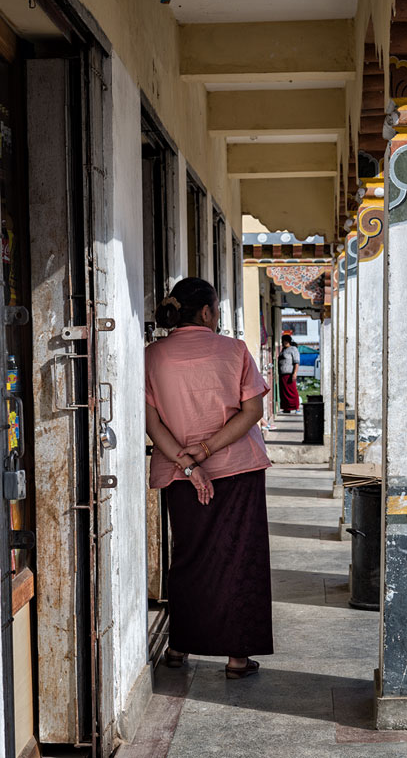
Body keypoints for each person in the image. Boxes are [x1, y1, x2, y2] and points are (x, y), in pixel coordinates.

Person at [145, 277, 273, 680]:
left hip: (179, 475)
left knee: (189, 556)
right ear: (206, 312)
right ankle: (237, 657)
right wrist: (206, 452)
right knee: (240, 558)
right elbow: (252, 411)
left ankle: (179, 645)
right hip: (239, 469)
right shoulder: (234, 351)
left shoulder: (153, 356)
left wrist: (189, 464)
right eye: (216, 310)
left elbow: (151, 422)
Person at [278, 333, 300, 413]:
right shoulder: (283, 350)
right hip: (282, 374)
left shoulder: (293, 349)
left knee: (292, 391)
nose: (284, 342)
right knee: (284, 393)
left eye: (286, 341)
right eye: (283, 341)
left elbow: (296, 362)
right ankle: (286, 408)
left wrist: (295, 373)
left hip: (289, 374)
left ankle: (296, 408)